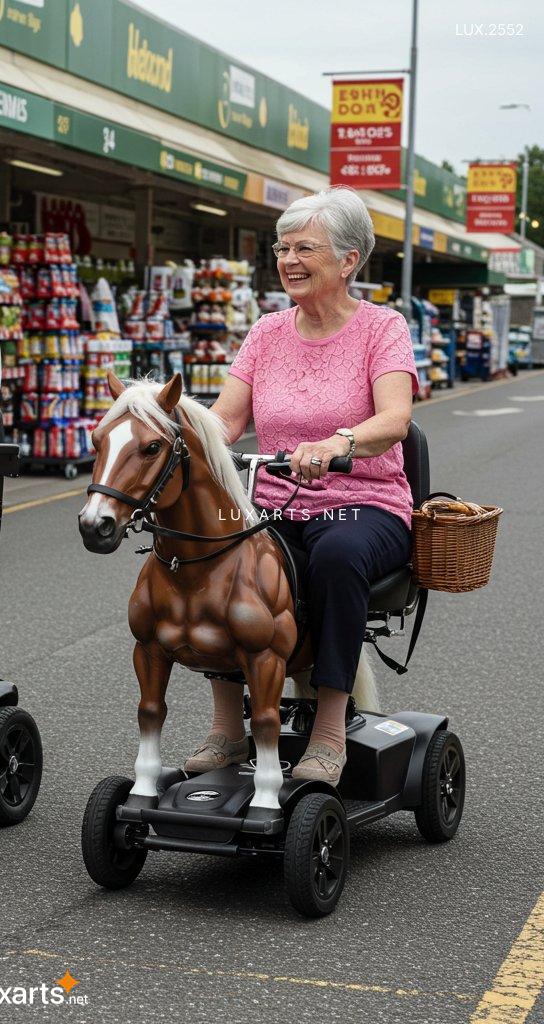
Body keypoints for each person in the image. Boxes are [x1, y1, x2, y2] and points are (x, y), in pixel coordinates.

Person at [188, 186, 417, 784]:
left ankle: (329, 732)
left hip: (366, 503)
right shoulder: (266, 333)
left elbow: (396, 419)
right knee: (218, 553)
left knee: (338, 558)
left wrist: (340, 444)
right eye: (282, 248)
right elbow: (226, 420)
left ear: (348, 260)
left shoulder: (382, 328)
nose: (288, 259)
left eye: (304, 248)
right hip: (277, 503)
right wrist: (158, 428)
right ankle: (227, 730)